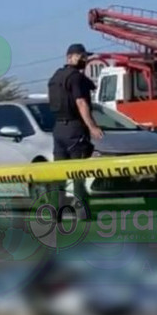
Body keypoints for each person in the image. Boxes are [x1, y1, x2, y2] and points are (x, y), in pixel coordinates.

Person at [47, 43, 103, 219]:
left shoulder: (56, 77)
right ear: (71, 57)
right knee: (78, 172)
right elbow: (81, 103)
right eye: (82, 56)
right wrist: (92, 126)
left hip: (58, 129)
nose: (85, 60)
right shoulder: (75, 78)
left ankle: (57, 211)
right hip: (74, 128)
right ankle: (82, 211)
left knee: (59, 175)